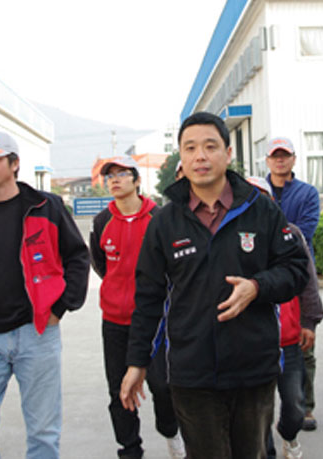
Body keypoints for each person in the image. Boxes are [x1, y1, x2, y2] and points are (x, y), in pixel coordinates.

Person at [120, 112, 310, 459]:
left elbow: (296, 269)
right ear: (181, 156)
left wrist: (257, 286)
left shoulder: (260, 210)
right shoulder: (165, 222)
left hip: (253, 369)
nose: (200, 156)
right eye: (190, 148)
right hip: (192, 373)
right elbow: (148, 297)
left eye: (210, 146)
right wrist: (137, 362)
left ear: (228, 153)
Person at [0, 131, 90, 458]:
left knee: (43, 433)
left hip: (36, 334)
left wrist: (60, 307)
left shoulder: (45, 207)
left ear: (14, 164)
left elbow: (77, 257)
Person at [90, 156, 185, 459]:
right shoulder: (102, 221)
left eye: (122, 174)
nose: (115, 180)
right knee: (119, 390)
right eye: (110, 176)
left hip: (156, 320)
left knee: (163, 385)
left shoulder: (159, 218)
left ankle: (170, 430)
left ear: (137, 180)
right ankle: (130, 449)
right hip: (115, 321)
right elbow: (100, 264)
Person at [247, 177, 323, 459]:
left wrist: (309, 321)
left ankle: (288, 435)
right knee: (258, 410)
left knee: (295, 405)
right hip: (252, 342)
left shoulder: (290, 234)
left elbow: (308, 281)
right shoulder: (234, 238)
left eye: (262, 197)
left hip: (289, 338)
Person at [265, 136, 322, 430]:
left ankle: (306, 407)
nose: (280, 160)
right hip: (266, 280)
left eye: (284, 155)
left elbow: (306, 229)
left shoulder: (307, 193)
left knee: (303, 349)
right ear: (267, 161)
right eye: (275, 156)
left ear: (293, 159)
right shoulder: (256, 190)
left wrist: (278, 231)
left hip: (299, 274)